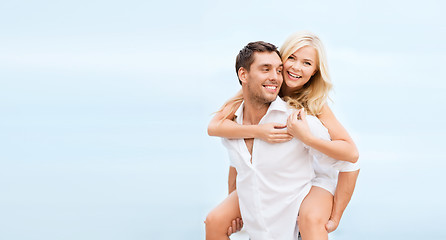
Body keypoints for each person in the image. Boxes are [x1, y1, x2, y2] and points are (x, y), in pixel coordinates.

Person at [205, 34, 359, 240]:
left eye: (307, 63)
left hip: (316, 177)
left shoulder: (313, 104)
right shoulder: (253, 94)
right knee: (215, 220)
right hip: (275, 176)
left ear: (315, 71)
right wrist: (259, 131)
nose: (296, 67)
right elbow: (221, 135)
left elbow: (351, 156)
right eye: (292, 58)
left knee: (311, 219)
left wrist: (335, 217)